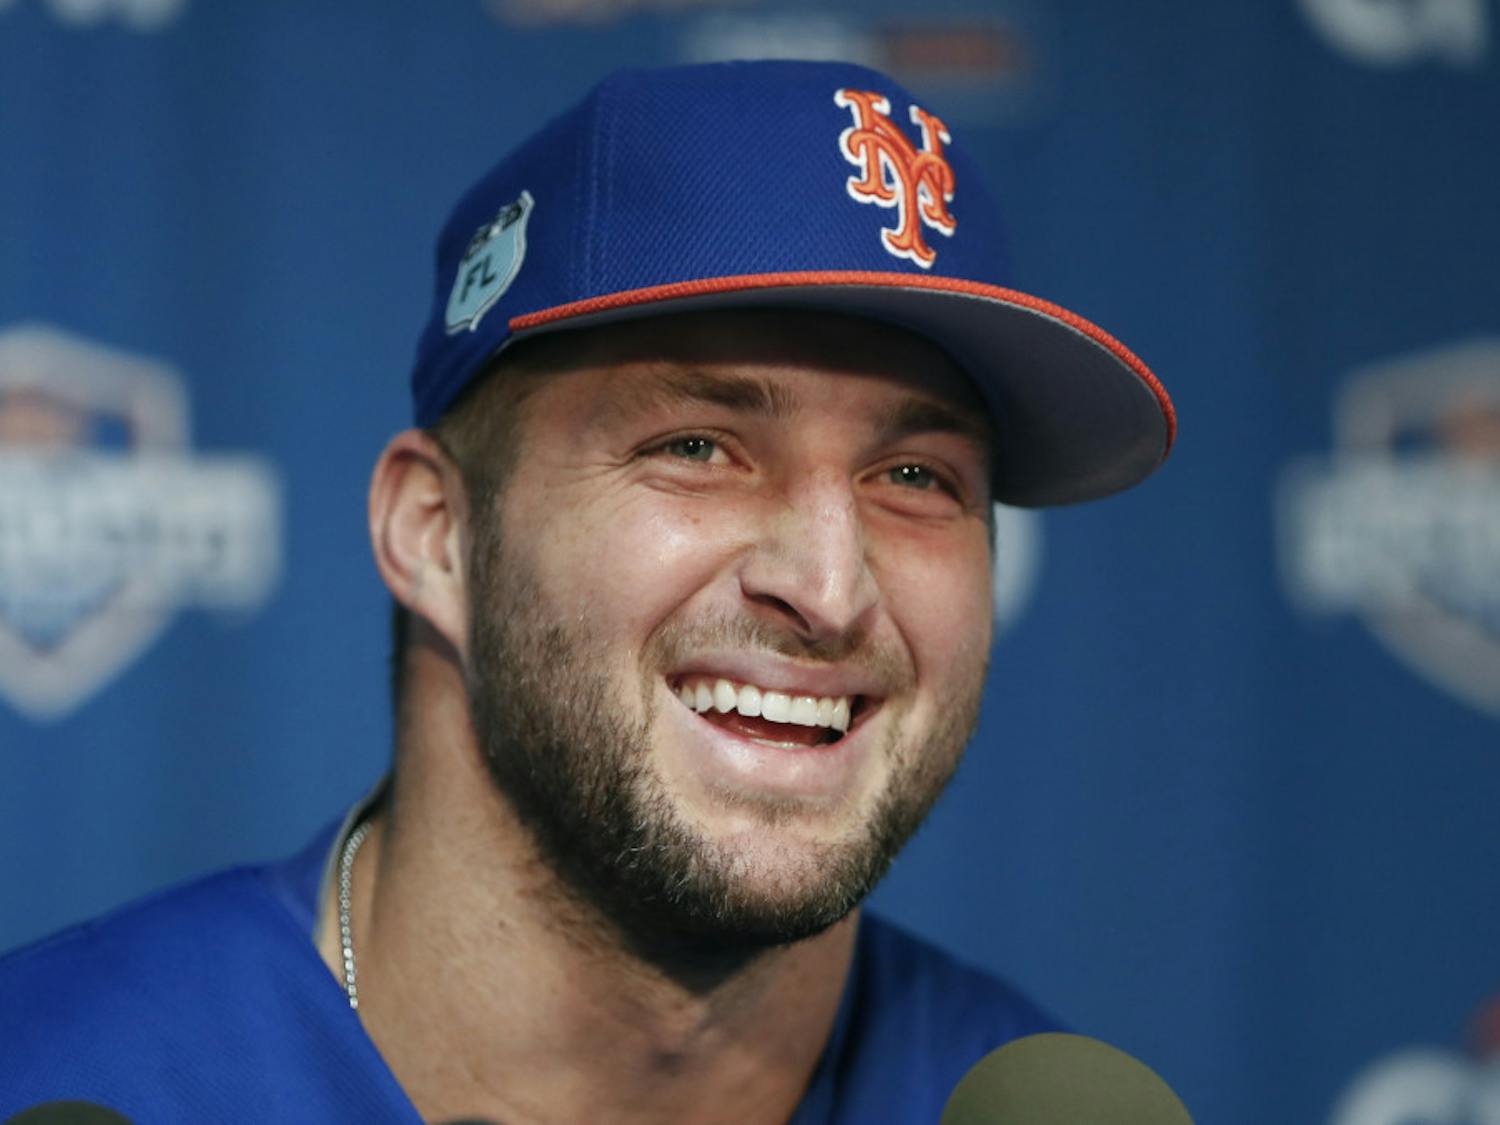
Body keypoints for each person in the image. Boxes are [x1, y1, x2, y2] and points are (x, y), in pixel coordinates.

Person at [0, 60, 1174, 1123]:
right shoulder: (62, 1073)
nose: (828, 586)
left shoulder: (1021, 1095)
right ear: (437, 534)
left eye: (916, 476)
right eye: (698, 446)